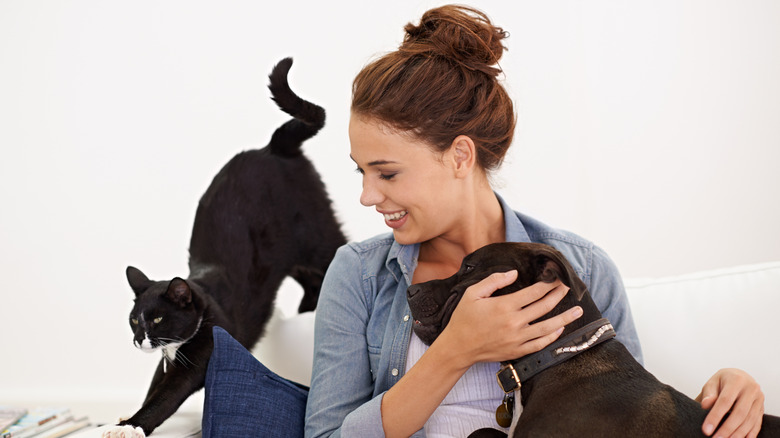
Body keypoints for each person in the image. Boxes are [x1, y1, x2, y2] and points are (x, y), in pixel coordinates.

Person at [304, 5, 766, 438]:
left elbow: (628, 414)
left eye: (387, 172)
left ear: (460, 156)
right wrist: (453, 351)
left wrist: (727, 393)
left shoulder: (578, 265)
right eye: (360, 171)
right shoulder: (360, 275)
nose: (367, 195)